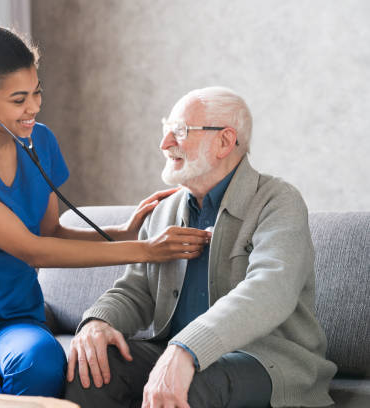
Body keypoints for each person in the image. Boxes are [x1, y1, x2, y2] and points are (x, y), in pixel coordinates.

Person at [0, 25, 211, 398]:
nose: (33, 107)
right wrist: (147, 249)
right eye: (18, 100)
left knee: (42, 366)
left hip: (15, 315)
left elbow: (50, 231)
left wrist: (124, 232)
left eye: (36, 93)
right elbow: (31, 249)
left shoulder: (40, 140)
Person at [65, 86, 337, 408]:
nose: (164, 144)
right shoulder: (164, 209)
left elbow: (270, 291)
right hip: (178, 351)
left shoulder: (278, 201)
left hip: (265, 359)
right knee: (94, 368)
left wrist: (187, 348)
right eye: (166, 131)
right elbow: (135, 291)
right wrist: (99, 322)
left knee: (196, 385)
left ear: (224, 141)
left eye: (179, 132)